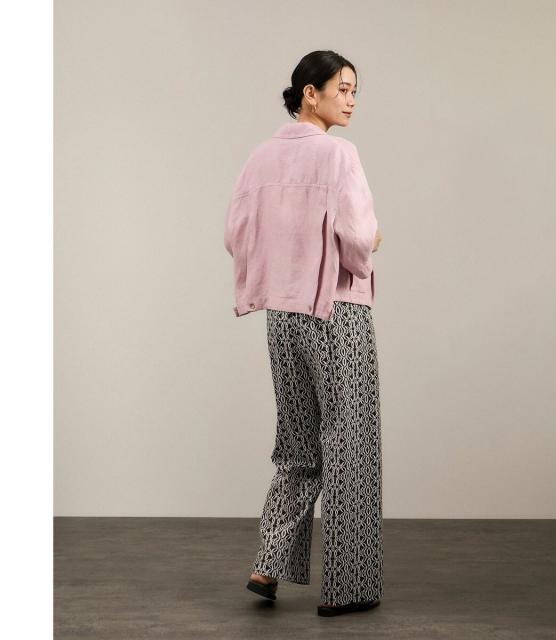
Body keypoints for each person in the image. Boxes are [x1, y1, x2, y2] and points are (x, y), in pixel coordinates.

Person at [224, 50, 383, 617]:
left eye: (355, 90)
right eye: (342, 88)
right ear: (309, 93)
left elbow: (235, 233)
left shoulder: (259, 158)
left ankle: (267, 566)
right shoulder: (339, 155)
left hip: (282, 313)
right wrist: (372, 244)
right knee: (349, 443)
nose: (351, 100)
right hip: (336, 312)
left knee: (297, 444)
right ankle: (346, 588)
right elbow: (357, 238)